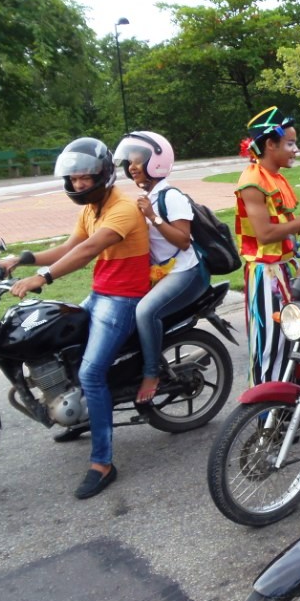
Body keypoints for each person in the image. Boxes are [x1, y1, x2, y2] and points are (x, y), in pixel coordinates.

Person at [6, 138, 150, 499]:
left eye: (86, 178)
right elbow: (68, 246)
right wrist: (20, 261)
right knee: (65, 347)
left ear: (103, 175)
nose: (79, 184)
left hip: (124, 299)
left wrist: (44, 278)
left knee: (90, 372)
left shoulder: (122, 208)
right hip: (101, 293)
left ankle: (102, 464)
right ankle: (82, 414)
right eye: (74, 179)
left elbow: (87, 252)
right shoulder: (91, 209)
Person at [235, 106, 300, 386]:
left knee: (293, 342)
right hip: (267, 275)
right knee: (271, 347)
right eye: (290, 143)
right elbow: (265, 234)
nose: (296, 149)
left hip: (286, 271)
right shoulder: (252, 181)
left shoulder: (274, 177)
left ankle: (286, 411)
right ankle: (265, 418)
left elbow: (283, 224)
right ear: (270, 144)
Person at [112, 131, 209, 404]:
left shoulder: (170, 196)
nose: (131, 167)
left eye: (137, 160)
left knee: (146, 311)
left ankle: (151, 373)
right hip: (165, 272)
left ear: (155, 162)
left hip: (186, 273)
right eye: (129, 162)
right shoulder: (150, 197)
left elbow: (183, 240)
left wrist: (152, 217)